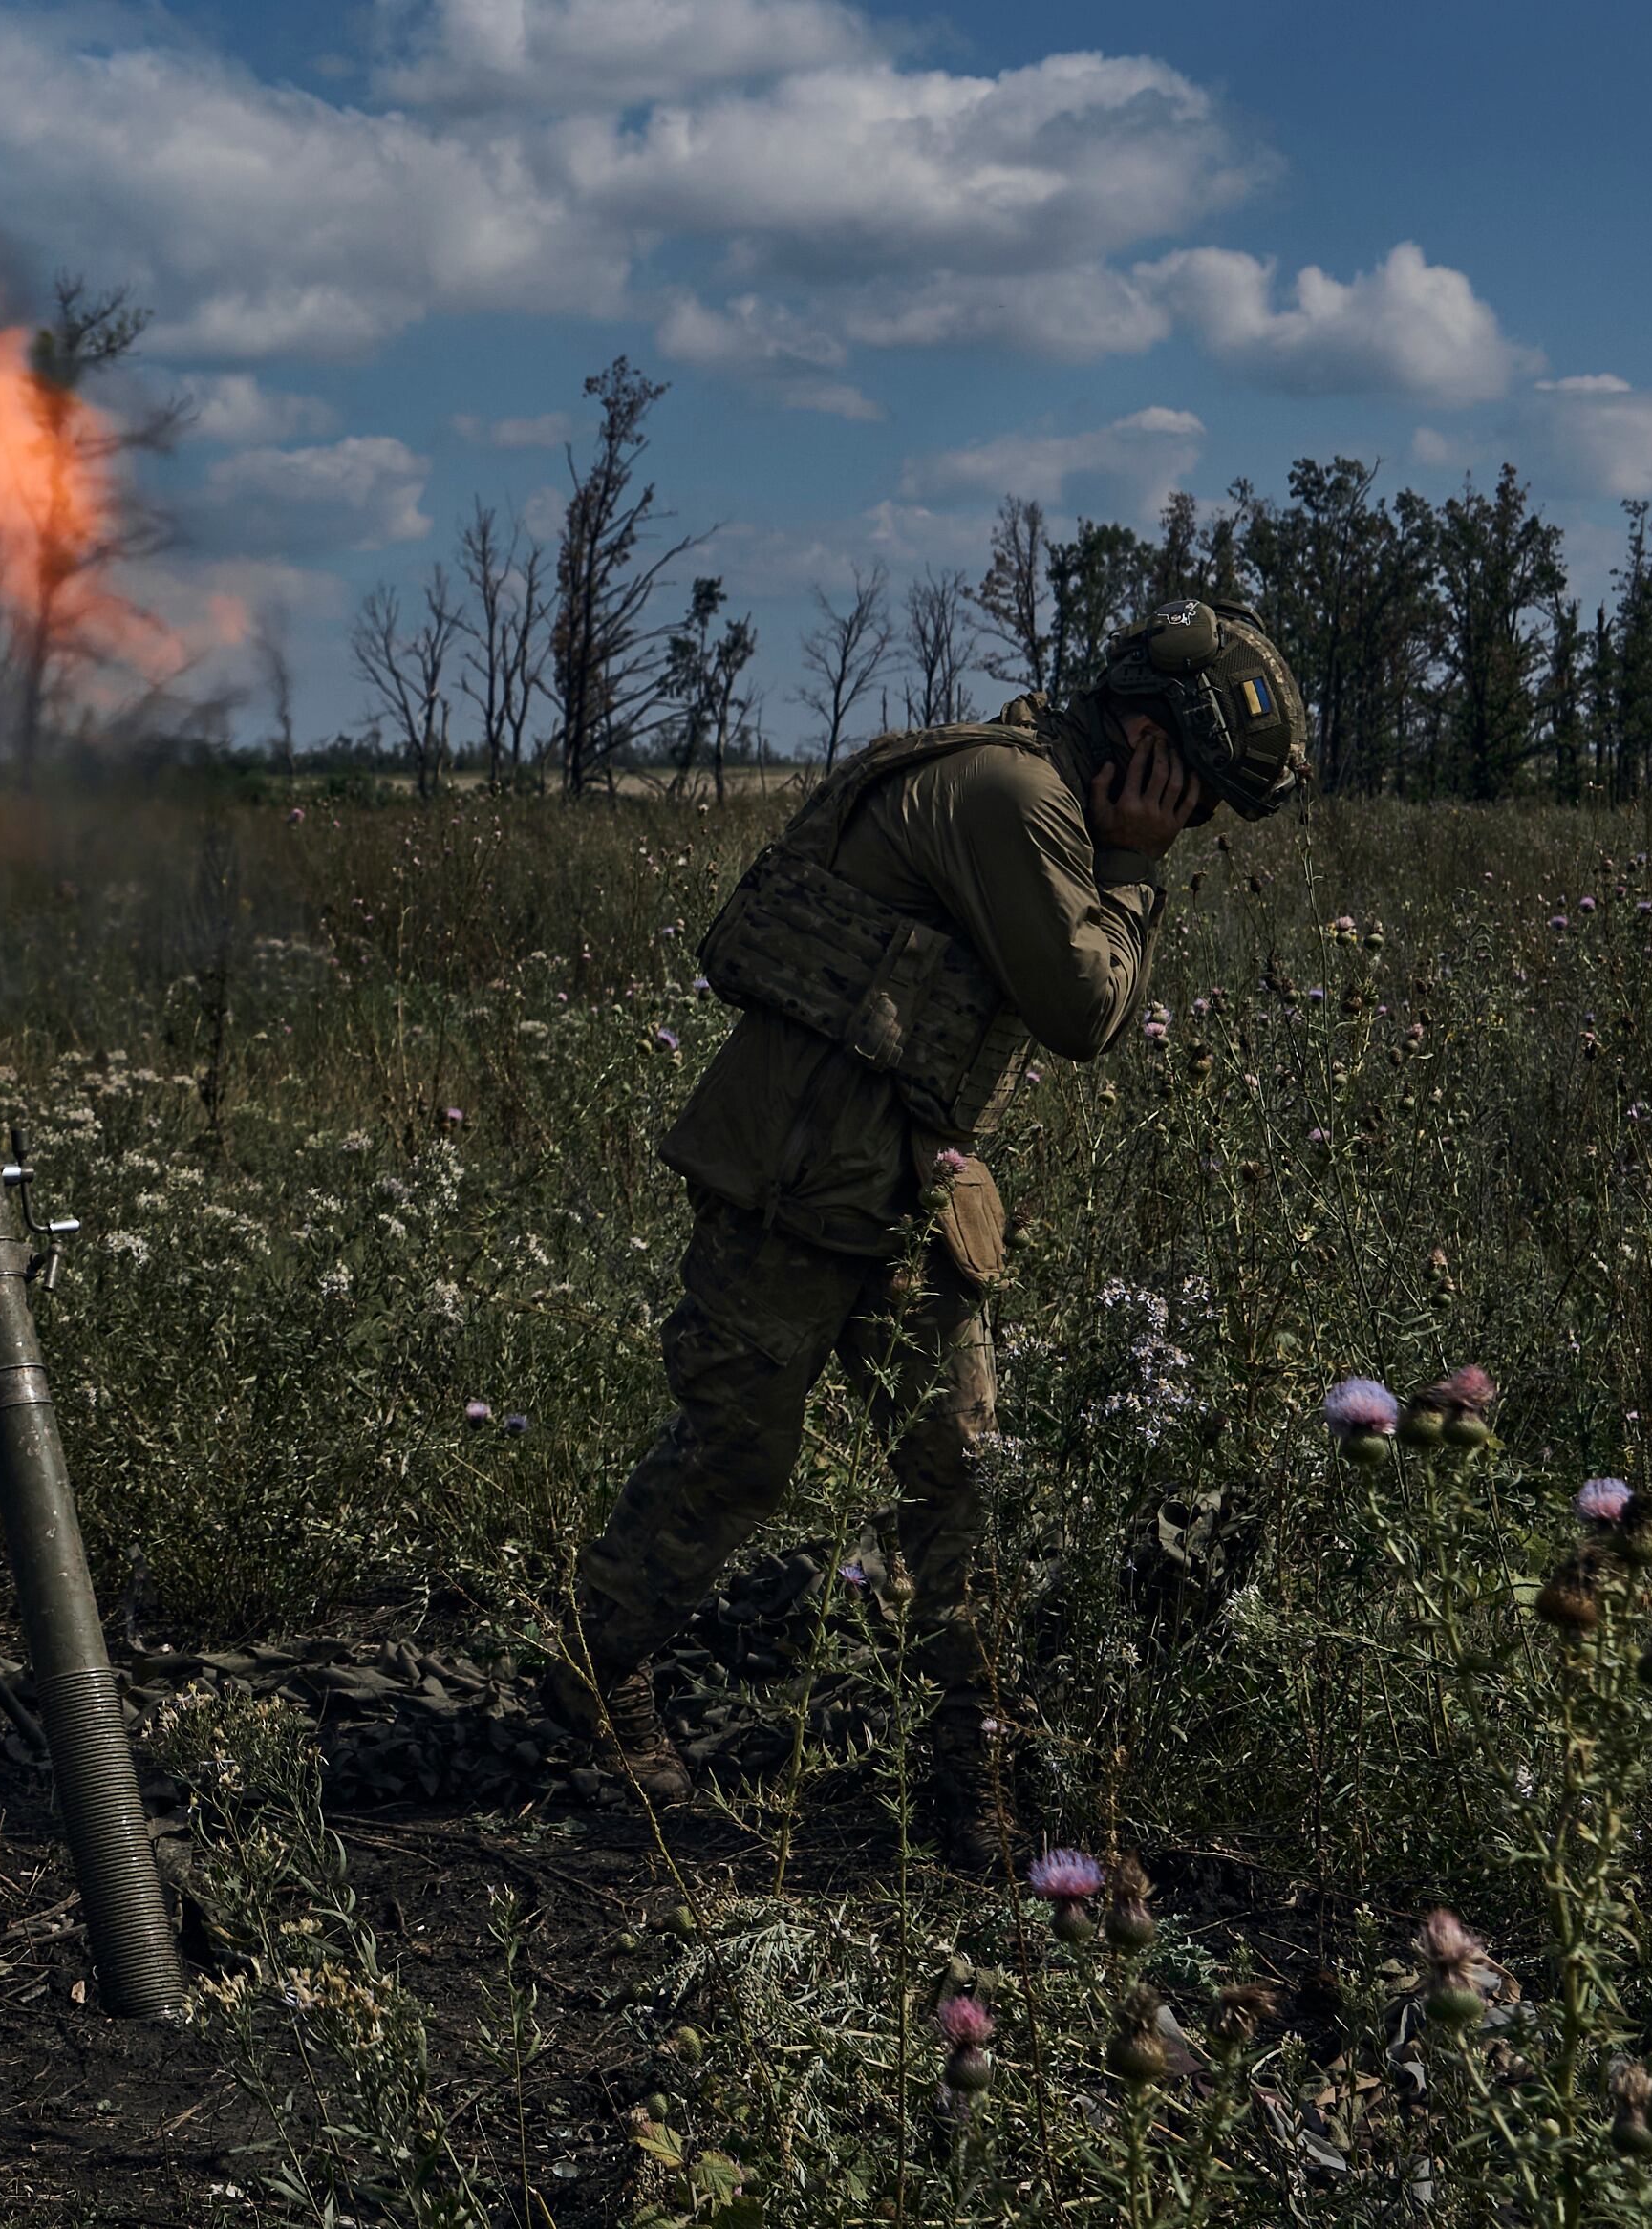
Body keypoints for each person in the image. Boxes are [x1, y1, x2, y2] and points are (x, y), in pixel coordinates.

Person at [547, 597, 1312, 1864]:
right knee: (734, 1456)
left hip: (906, 1189)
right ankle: (596, 1673)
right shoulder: (1015, 799)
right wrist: (1131, 872)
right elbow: (1083, 1008)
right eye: (1202, 795)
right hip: (792, 1183)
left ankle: (972, 1760)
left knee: (960, 1474)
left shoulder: (1040, 793)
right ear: (1149, 737)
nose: (1199, 823)